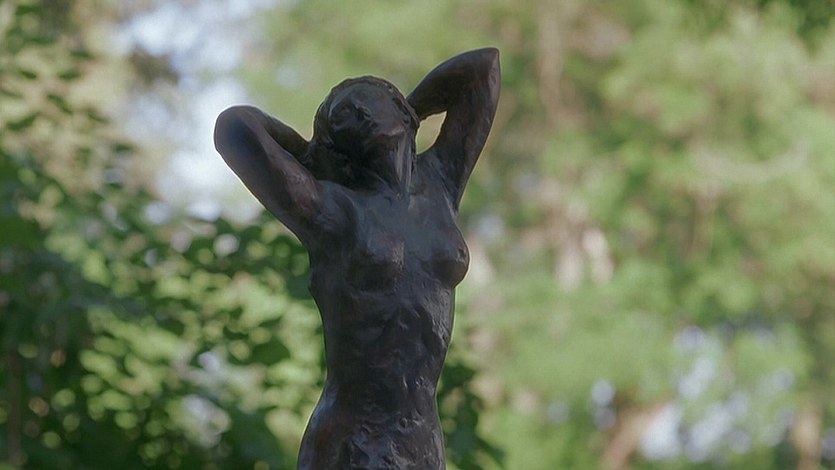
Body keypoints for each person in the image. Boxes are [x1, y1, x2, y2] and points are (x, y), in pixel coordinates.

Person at [214, 48, 500, 469]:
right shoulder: (333, 211)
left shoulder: (440, 185)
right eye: (342, 116)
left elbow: (482, 70)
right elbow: (235, 128)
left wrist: (413, 110)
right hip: (353, 439)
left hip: (422, 439)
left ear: (399, 109)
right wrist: (308, 156)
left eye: (367, 99)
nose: (358, 112)